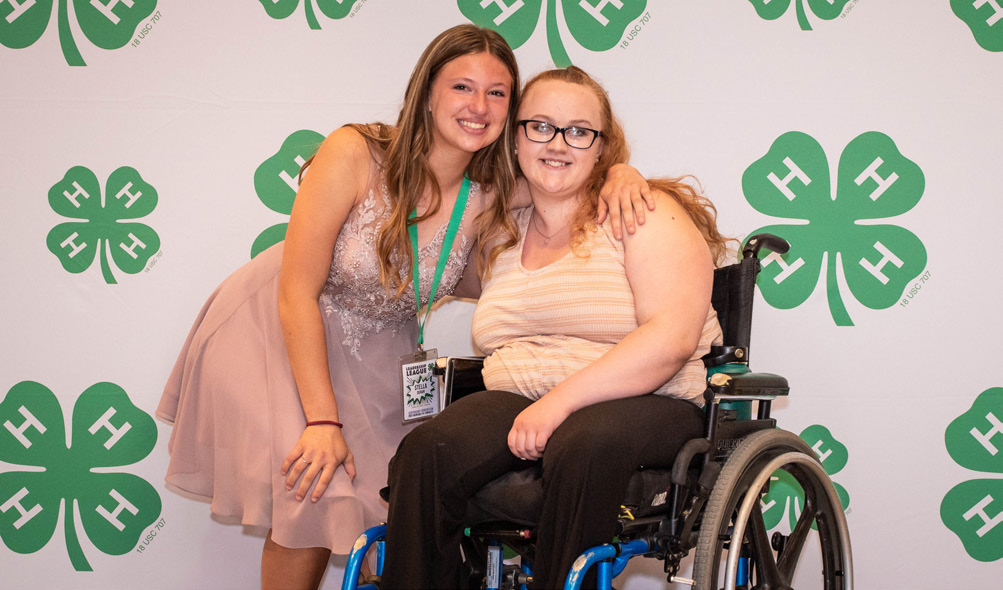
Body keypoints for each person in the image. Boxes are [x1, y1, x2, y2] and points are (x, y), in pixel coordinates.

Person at [157, 26, 649, 590]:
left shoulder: (494, 187)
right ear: (428, 92)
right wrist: (321, 420)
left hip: (378, 346)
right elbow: (296, 293)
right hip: (275, 326)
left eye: (497, 93)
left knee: (392, 496)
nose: (478, 105)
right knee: (313, 488)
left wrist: (621, 171)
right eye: (463, 86)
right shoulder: (355, 152)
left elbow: (569, 164)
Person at [380, 66, 733, 590]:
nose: (558, 143)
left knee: (582, 443)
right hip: (522, 395)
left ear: (601, 147)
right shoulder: (500, 227)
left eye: (579, 131)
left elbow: (671, 339)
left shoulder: (647, 214)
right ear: (515, 137)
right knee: (428, 452)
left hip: (650, 398)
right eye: (540, 126)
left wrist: (560, 402)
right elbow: (426, 180)